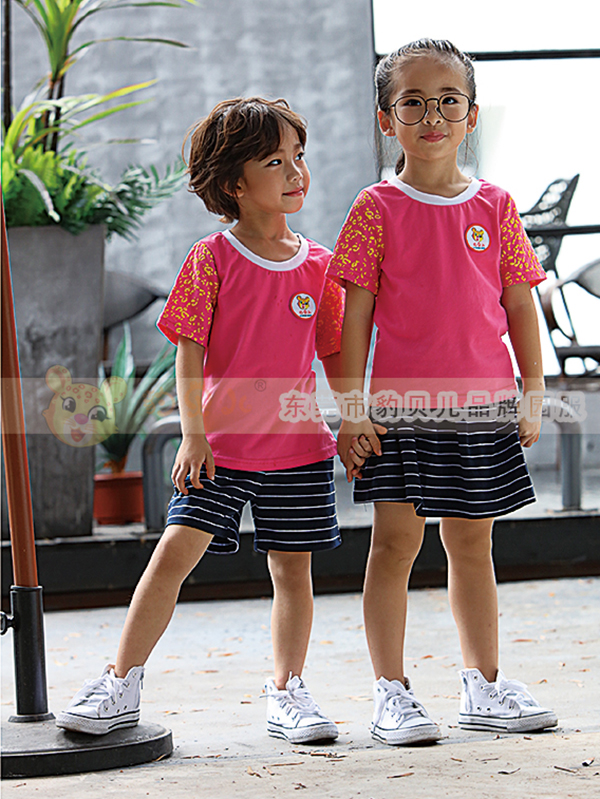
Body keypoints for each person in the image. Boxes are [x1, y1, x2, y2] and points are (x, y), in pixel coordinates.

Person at [56, 97, 345, 744]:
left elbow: (334, 354)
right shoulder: (211, 257)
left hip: (300, 450)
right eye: (275, 161)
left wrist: (353, 420)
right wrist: (193, 435)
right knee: (171, 558)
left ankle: (287, 691)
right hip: (219, 449)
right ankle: (120, 682)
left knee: (292, 572)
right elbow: (188, 352)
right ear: (235, 183)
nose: (296, 171)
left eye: (299, 156)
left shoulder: (321, 266)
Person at [328, 39, 558, 746]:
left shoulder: (497, 204)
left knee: (472, 545)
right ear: (385, 120)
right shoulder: (375, 208)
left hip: (483, 408)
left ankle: (483, 684)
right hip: (400, 412)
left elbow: (519, 304)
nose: (432, 116)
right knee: (394, 545)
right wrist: (352, 410)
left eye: (448, 101)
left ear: (471, 114)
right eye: (413, 103)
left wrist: (531, 388)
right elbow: (353, 317)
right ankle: (390, 691)